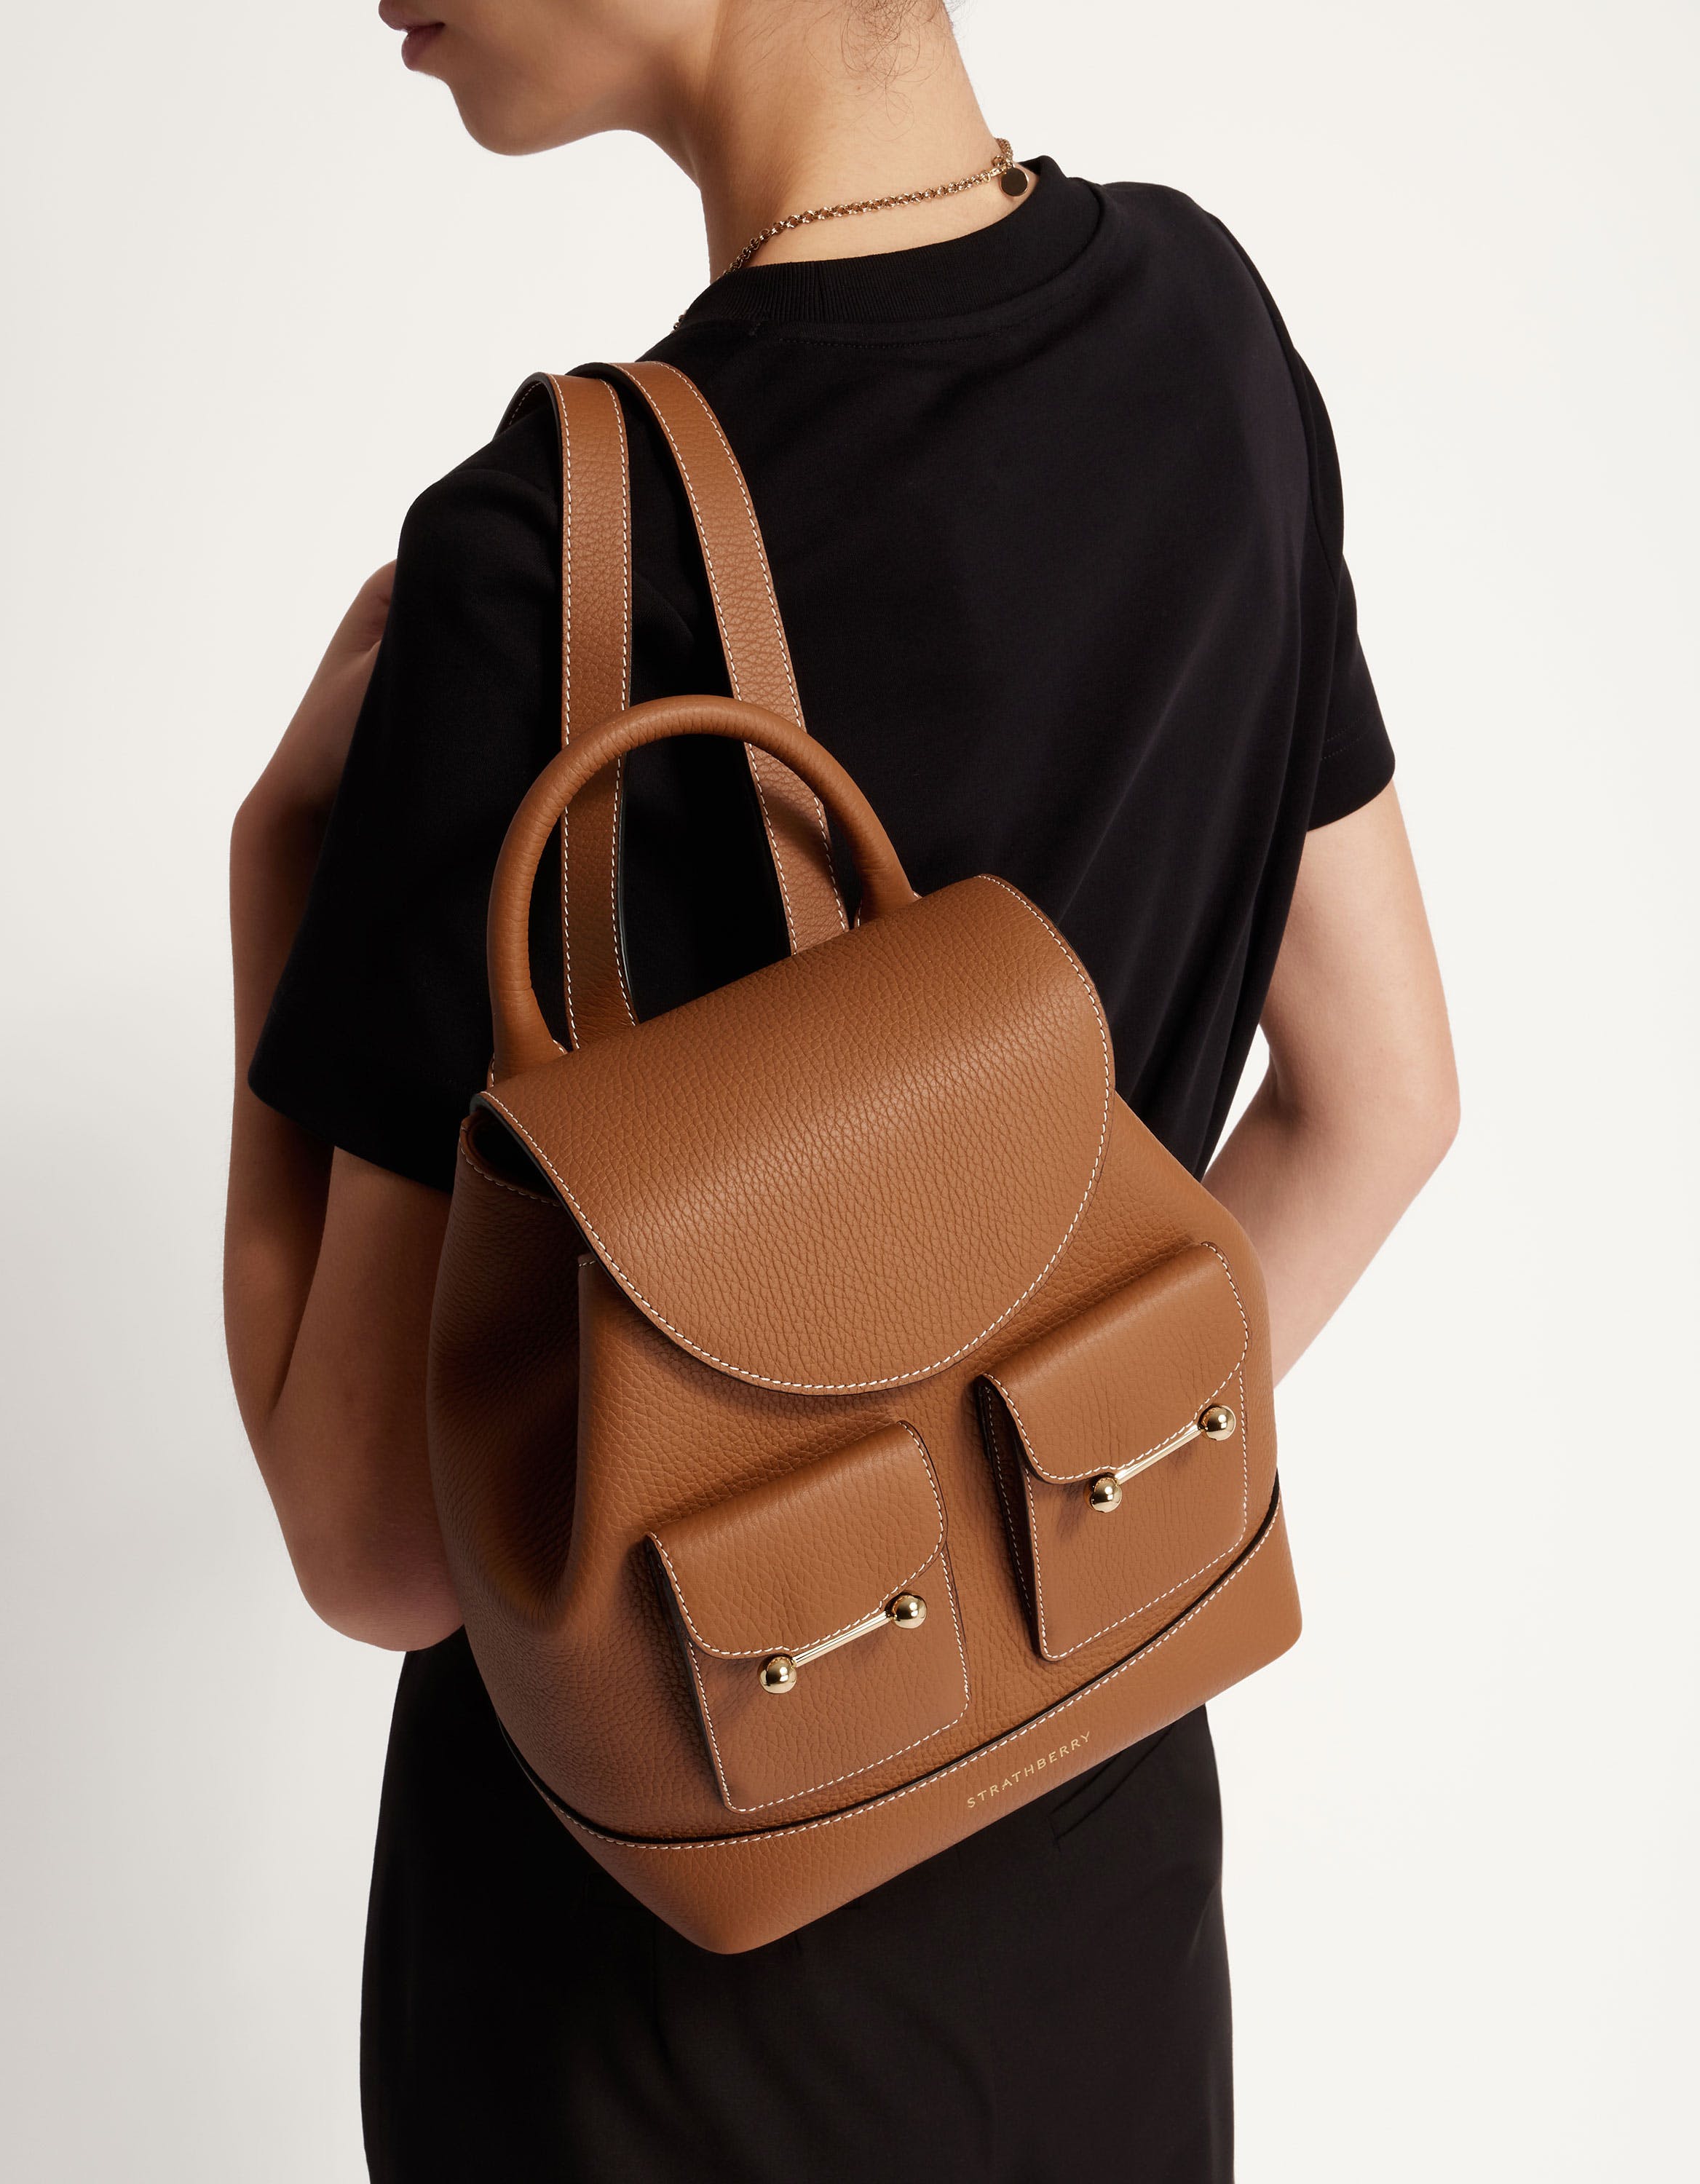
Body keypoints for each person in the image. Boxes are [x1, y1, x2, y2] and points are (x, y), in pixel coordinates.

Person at [224, 1, 1459, 2175]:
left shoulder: (538, 567)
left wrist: (275, 872)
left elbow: (377, 1543)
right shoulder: (1211, 344)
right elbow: (1382, 1099)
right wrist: (1036, 1506)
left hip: (657, 1981)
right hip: (1097, 1901)